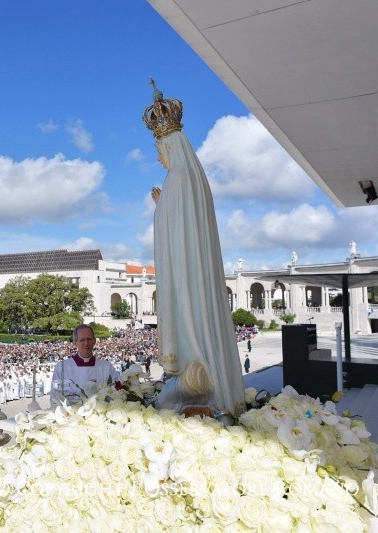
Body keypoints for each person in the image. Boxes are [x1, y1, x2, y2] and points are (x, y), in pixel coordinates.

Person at [144, 79, 245, 415]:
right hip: (197, 269)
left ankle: (195, 387)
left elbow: (171, 230)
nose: (159, 160)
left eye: (159, 152)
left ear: (169, 147)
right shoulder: (196, 179)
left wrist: (160, 210)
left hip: (186, 276)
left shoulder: (176, 178)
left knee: (188, 327)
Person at [50, 324, 120, 407]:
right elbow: (55, 397)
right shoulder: (62, 367)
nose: (86, 343)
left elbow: (117, 393)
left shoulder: (106, 367)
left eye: (89, 339)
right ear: (75, 343)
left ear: (94, 341)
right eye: (82, 340)